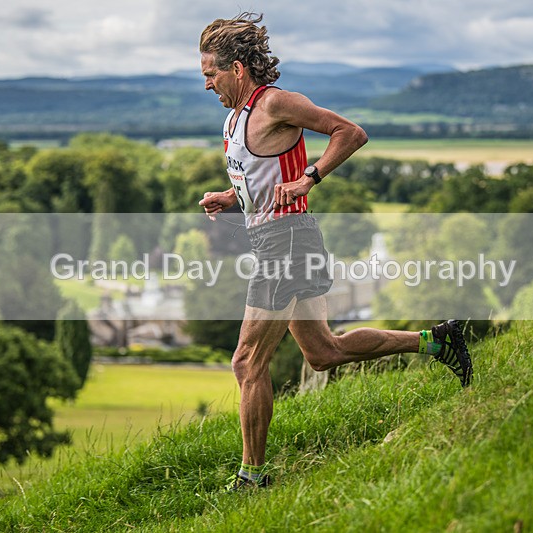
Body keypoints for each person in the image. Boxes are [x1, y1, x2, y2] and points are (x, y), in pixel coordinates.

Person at [197, 12, 472, 490]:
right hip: (277, 236)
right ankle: (438, 340)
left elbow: (350, 132)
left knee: (246, 362)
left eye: (210, 73)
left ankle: (252, 477)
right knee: (323, 352)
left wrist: (311, 176)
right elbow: (259, 179)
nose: (207, 84)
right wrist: (232, 199)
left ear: (237, 69)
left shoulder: (277, 103)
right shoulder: (234, 119)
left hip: (286, 239)